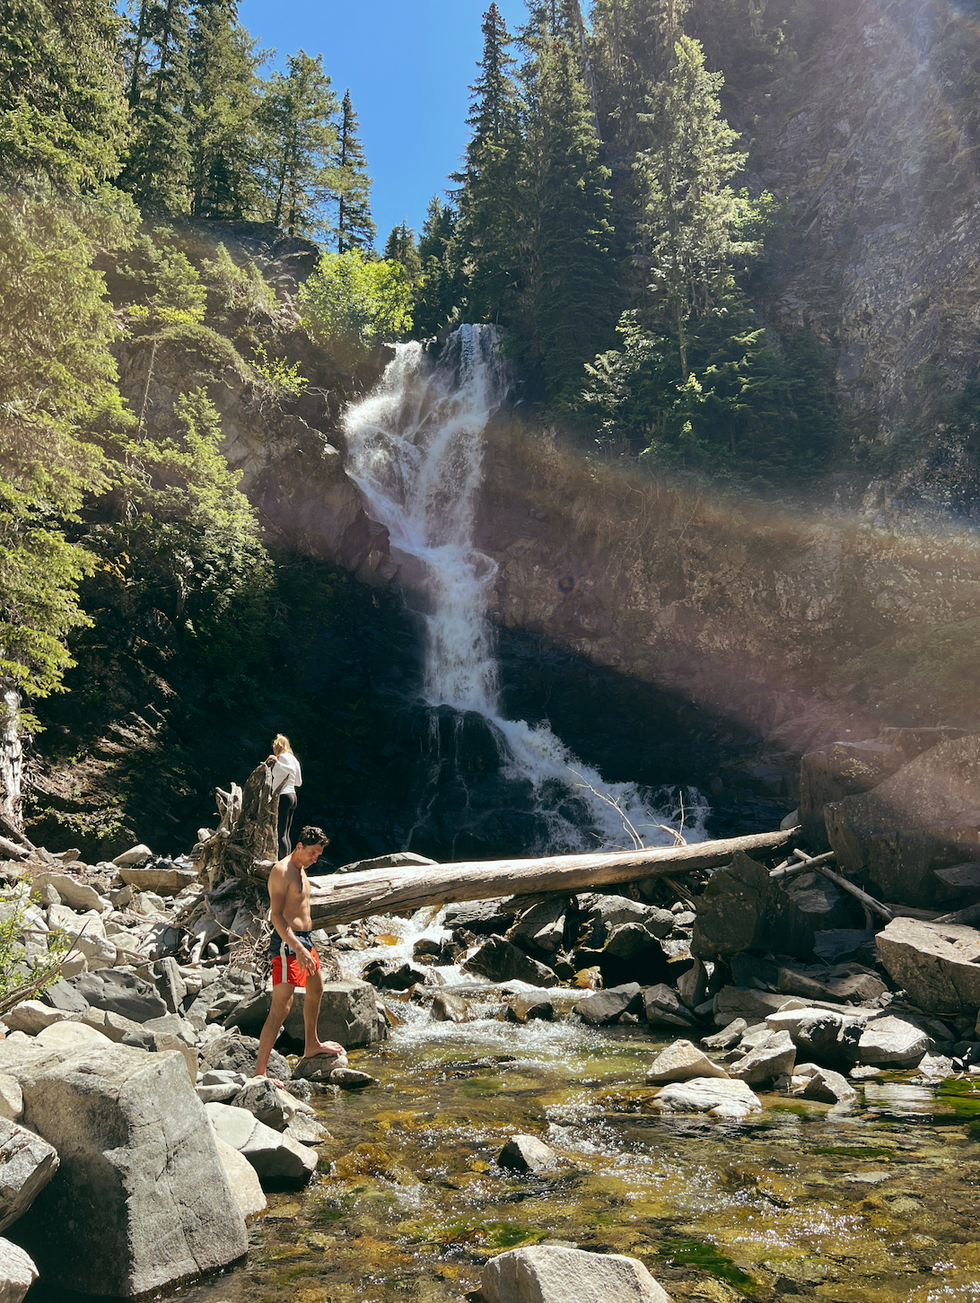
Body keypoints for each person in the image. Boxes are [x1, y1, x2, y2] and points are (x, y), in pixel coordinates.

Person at [255, 825, 346, 1080]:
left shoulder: (301, 869)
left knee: (316, 988)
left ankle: (311, 1045)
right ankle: (260, 1073)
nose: (315, 859)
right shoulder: (282, 871)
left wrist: (306, 947)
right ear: (299, 846)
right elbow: (276, 916)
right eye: (313, 853)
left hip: (306, 940)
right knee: (281, 1007)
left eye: (318, 854)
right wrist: (298, 948)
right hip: (288, 944)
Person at [267, 733, 302, 856]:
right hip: (292, 796)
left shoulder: (282, 757)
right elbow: (298, 782)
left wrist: (277, 762)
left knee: (280, 833)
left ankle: (282, 863)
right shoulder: (294, 759)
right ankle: (287, 862)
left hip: (283, 795)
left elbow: (290, 770)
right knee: (286, 833)